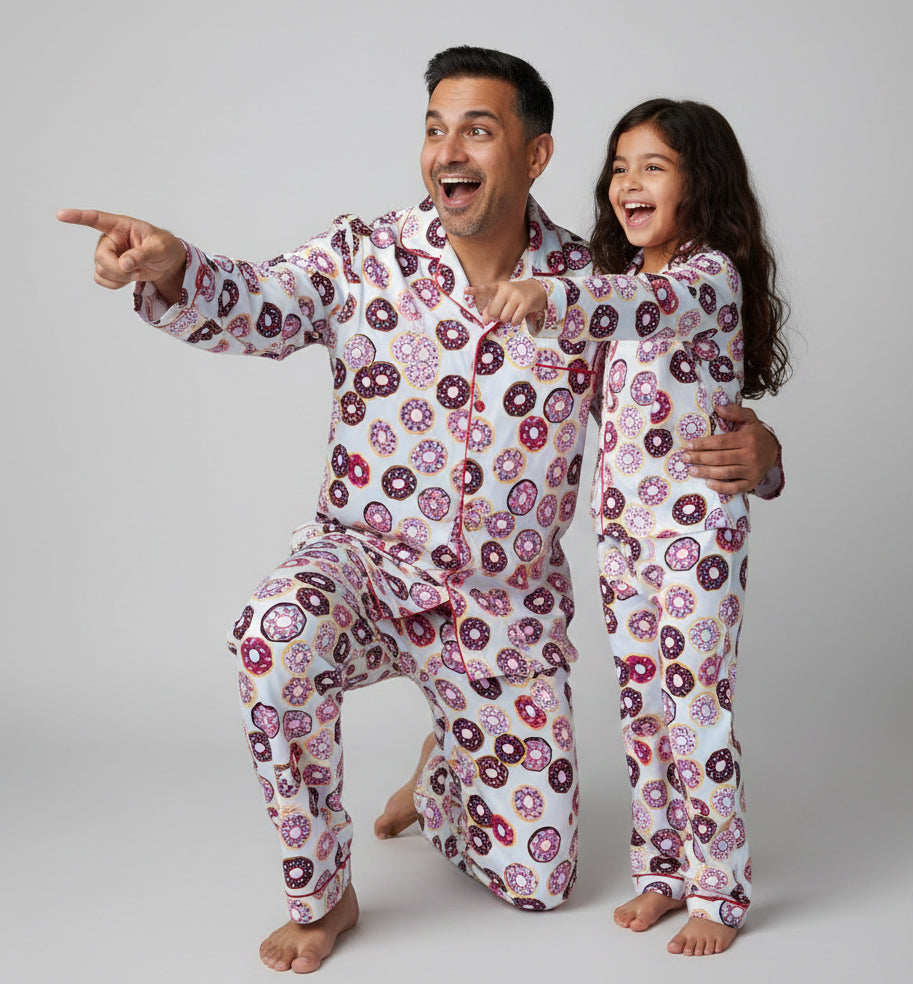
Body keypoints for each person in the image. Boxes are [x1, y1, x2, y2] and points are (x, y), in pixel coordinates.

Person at [57, 49, 781, 974]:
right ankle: (325, 896)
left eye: (478, 128)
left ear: (537, 154)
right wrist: (172, 268)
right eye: (435, 127)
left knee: (539, 882)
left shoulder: (592, 284)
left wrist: (763, 458)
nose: (449, 148)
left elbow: (668, 406)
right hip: (361, 568)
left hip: (500, 606)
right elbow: (262, 304)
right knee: (270, 638)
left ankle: (447, 763)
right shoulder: (364, 254)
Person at [469, 98, 789, 956]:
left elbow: (629, 308)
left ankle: (720, 886)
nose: (628, 183)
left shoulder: (704, 275)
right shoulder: (634, 284)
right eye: (618, 166)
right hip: (622, 534)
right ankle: (661, 871)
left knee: (696, 709)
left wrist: (551, 292)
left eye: (653, 166)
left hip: (693, 533)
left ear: (701, 182)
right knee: (643, 707)